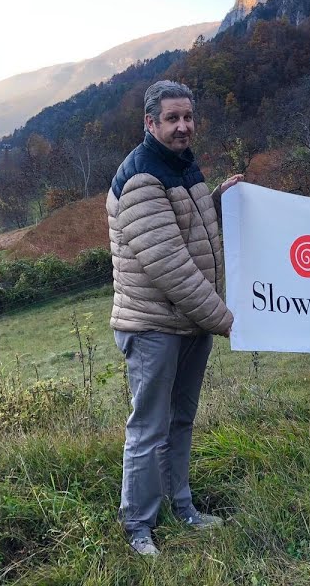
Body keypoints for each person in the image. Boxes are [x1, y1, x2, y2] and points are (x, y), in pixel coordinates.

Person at [106, 79, 244, 555]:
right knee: (149, 428)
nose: (183, 126)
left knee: (181, 419)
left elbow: (189, 229)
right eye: (172, 118)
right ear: (150, 122)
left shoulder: (183, 165)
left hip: (189, 323)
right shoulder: (142, 177)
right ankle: (137, 526)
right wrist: (225, 319)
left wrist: (221, 201)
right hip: (153, 326)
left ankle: (181, 506)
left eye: (188, 117)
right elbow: (171, 267)